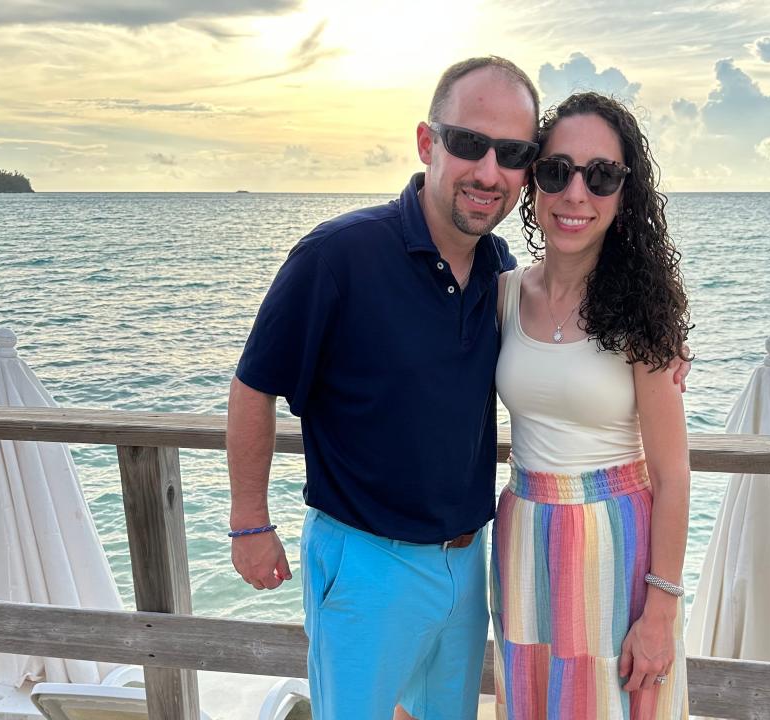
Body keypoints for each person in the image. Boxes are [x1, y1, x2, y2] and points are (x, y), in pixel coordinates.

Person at [227, 58, 689, 720]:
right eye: (469, 144)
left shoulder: (497, 275)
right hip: (370, 560)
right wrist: (249, 521)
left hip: (477, 562)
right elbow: (253, 385)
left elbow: (636, 420)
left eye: (513, 154)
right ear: (427, 143)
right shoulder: (340, 256)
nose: (488, 170)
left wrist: (666, 348)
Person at [490, 92, 691, 719]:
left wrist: (662, 608)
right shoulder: (500, 294)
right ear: (533, 185)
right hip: (523, 536)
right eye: (557, 171)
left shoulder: (641, 316)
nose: (576, 193)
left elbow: (673, 475)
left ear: (624, 194)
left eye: (601, 175)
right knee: (530, 698)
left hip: (616, 545)